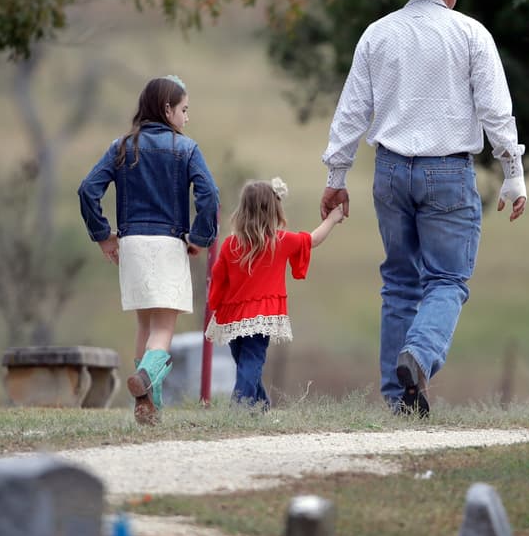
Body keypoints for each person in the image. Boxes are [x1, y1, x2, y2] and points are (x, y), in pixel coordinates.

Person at [319, 0, 529, 417]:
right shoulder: (472, 34)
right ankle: (419, 354)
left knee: (399, 282)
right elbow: (496, 112)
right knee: (448, 279)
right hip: (448, 171)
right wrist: (513, 173)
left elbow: (352, 111)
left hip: (390, 170)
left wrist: (337, 175)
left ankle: (400, 400)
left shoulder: (377, 34)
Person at [78, 74, 219, 425]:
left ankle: (148, 407)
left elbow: (87, 190)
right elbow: (210, 195)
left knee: (144, 325)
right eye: (184, 110)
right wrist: (200, 237)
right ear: (167, 109)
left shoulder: (121, 147)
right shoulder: (187, 149)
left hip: (132, 245)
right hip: (168, 244)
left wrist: (103, 235)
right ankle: (144, 379)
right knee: (163, 330)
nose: (187, 118)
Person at [204, 178, 345, 409]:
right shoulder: (275, 241)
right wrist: (332, 219)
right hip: (253, 315)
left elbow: (218, 279)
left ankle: (240, 407)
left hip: (239, 316)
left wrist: (215, 305)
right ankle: (259, 404)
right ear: (274, 210)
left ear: (243, 210)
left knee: (247, 362)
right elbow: (312, 240)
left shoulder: (235, 244)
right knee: (247, 363)